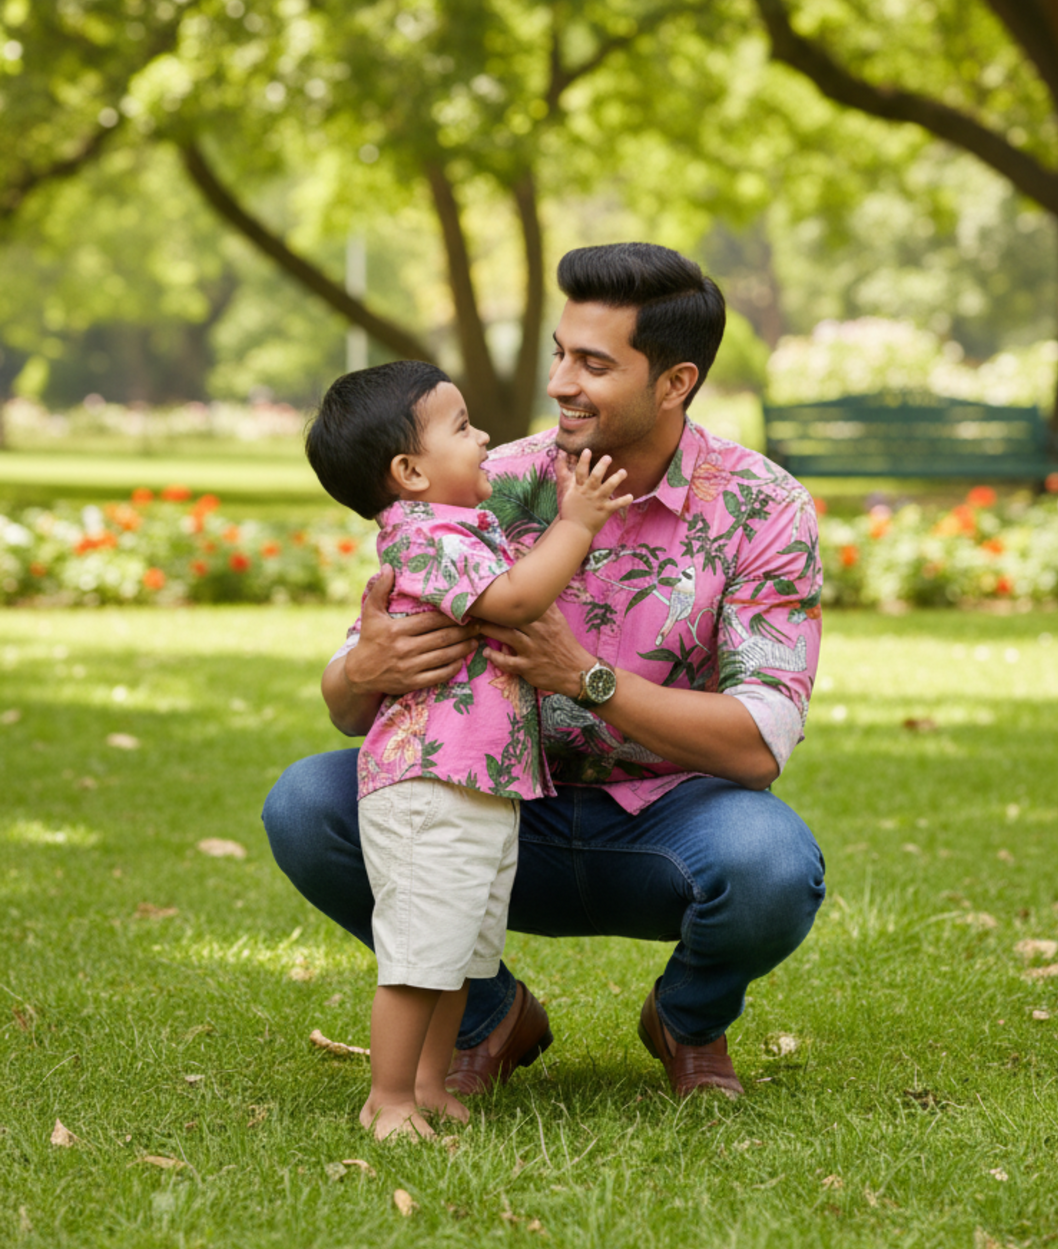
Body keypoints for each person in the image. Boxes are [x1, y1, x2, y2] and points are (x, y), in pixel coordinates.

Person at [266, 242, 826, 1105]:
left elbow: (758, 746)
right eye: (561, 353)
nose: (561, 382)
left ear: (674, 383)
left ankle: (686, 1019)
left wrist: (585, 677)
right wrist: (360, 670)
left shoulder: (763, 507)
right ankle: (490, 1017)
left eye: (594, 364)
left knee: (772, 865)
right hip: (484, 805)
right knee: (307, 806)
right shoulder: (489, 480)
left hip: (664, 823)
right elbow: (352, 690)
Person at [304, 360, 632, 1139]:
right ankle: (387, 1100)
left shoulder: (461, 528)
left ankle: (428, 1084)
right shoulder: (424, 538)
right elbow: (515, 600)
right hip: (428, 785)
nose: (484, 437)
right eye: (461, 427)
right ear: (409, 471)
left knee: (457, 958)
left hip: (477, 784)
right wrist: (577, 523)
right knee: (419, 957)